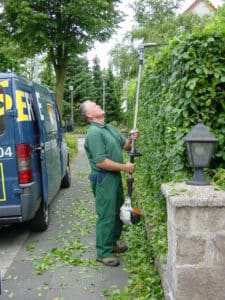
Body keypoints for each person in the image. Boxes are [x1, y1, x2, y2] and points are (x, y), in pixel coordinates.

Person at [79, 100, 138, 267]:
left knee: (117, 210)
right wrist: (125, 167)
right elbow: (100, 162)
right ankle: (103, 253)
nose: (97, 105)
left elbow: (126, 146)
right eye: (93, 105)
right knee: (106, 214)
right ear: (89, 115)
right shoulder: (94, 133)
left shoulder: (108, 128)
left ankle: (113, 243)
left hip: (114, 177)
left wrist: (131, 138)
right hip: (104, 178)